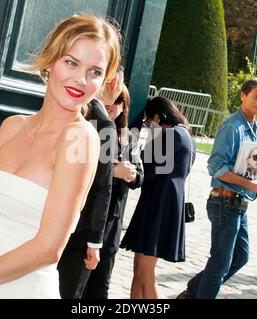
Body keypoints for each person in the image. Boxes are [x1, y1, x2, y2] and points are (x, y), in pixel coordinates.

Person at [0, 14, 121, 299]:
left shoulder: (80, 139)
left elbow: (48, 248)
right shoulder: (11, 127)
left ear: (104, 81)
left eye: (95, 72)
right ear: (50, 61)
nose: (80, 79)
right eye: (71, 62)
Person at [177, 78, 257, 299]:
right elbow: (216, 167)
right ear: (243, 95)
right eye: (256, 96)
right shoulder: (232, 126)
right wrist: (251, 184)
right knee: (220, 263)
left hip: (241, 202)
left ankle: (192, 292)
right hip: (224, 200)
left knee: (240, 256)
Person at [120, 96, 196, 299]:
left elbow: (145, 170)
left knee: (145, 274)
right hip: (164, 205)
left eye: (148, 121)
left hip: (158, 207)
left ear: (157, 116)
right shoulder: (186, 134)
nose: (147, 126)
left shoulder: (170, 135)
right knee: (139, 271)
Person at [57, 69, 122, 299]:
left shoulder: (66, 108)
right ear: (114, 83)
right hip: (80, 232)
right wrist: (95, 241)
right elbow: (103, 188)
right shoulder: (104, 124)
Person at [83, 83, 144, 299]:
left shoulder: (129, 138)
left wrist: (131, 174)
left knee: (101, 286)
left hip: (112, 222)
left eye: (120, 101)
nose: (113, 104)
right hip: (86, 216)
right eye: (111, 98)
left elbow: (140, 177)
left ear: (124, 107)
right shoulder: (89, 127)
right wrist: (111, 172)